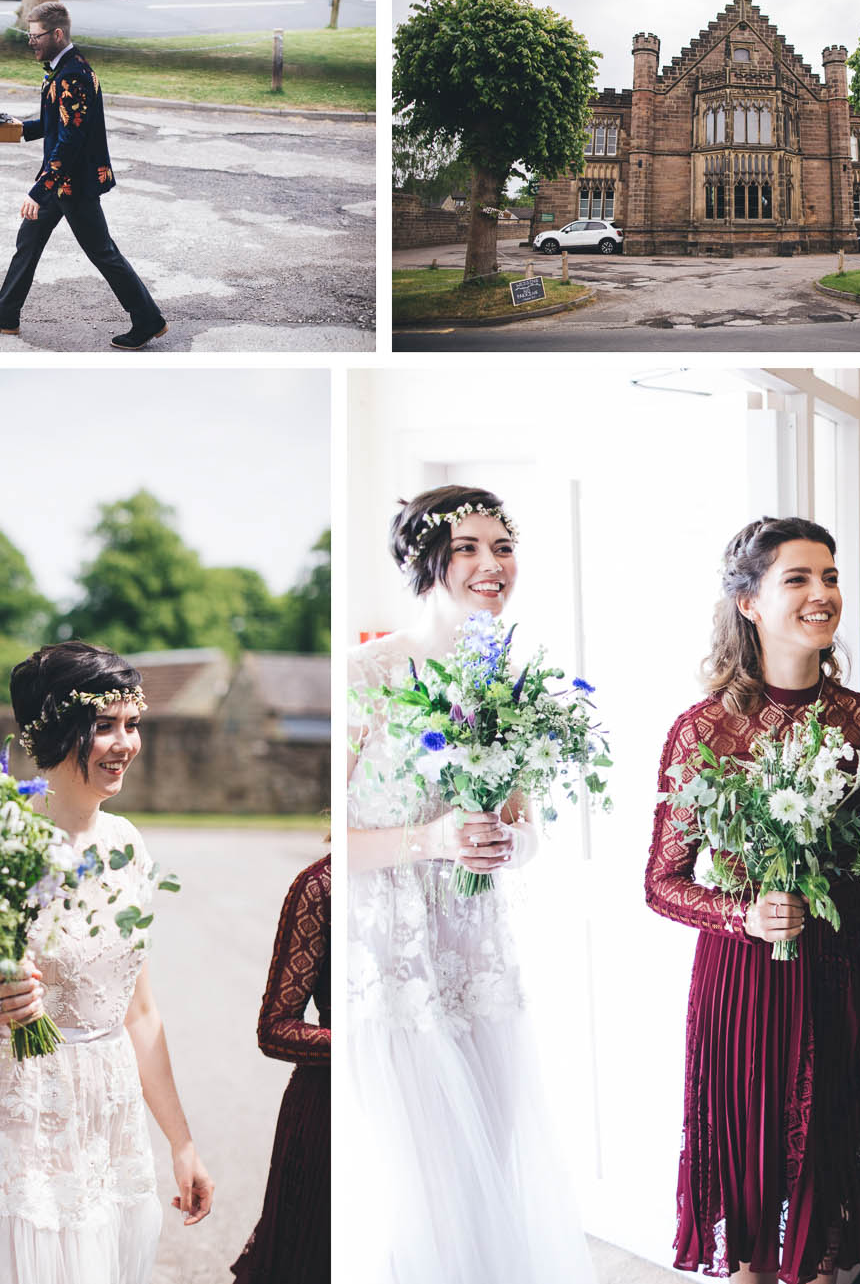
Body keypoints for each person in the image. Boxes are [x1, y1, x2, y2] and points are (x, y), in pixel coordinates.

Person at [344, 485, 593, 1284]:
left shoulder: (513, 684)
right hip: (392, 964)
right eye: (468, 549)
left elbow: (525, 828)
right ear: (426, 562)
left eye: (503, 547)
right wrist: (433, 838)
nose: (493, 565)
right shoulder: (367, 672)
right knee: (419, 1184)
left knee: (490, 1164)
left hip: (478, 959)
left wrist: (502, 842)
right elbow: (325, 843)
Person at [644, 516, 860, 1284]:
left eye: (829, 577)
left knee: (827, 1208)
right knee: (753, 1206)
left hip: (842, 979)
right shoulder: (703, 729)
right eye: (798, 578)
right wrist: (742, 913)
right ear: (749, 602)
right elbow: (661, 880)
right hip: (747, 990)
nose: (822, 594)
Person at [0, 641, 214, 1283]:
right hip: (20, 1135)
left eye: (132, 725)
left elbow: (139, 1011)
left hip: (109, 1132)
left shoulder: (128, 846)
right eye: (103, 726)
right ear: (53, 732)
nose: (124, 744)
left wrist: (180, 1143)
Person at [0, 2, 168, 351]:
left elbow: (70, 142)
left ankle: (148, 319)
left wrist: (38, 191)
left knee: (103, 252)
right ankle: (5, 314)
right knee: (28, 243)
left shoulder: (73, 75)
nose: (32, 42)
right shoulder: (61, 69)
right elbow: (53, 124)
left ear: (57, 34)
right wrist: (15, 128)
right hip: (61, 181)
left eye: (37, 36)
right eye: (29, 36)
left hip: (74, 184)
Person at [231, 852, 330, 1283]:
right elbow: (274, 1027)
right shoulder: (318, 887)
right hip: (328, 1114)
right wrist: (362, 1046)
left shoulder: (441, 876)